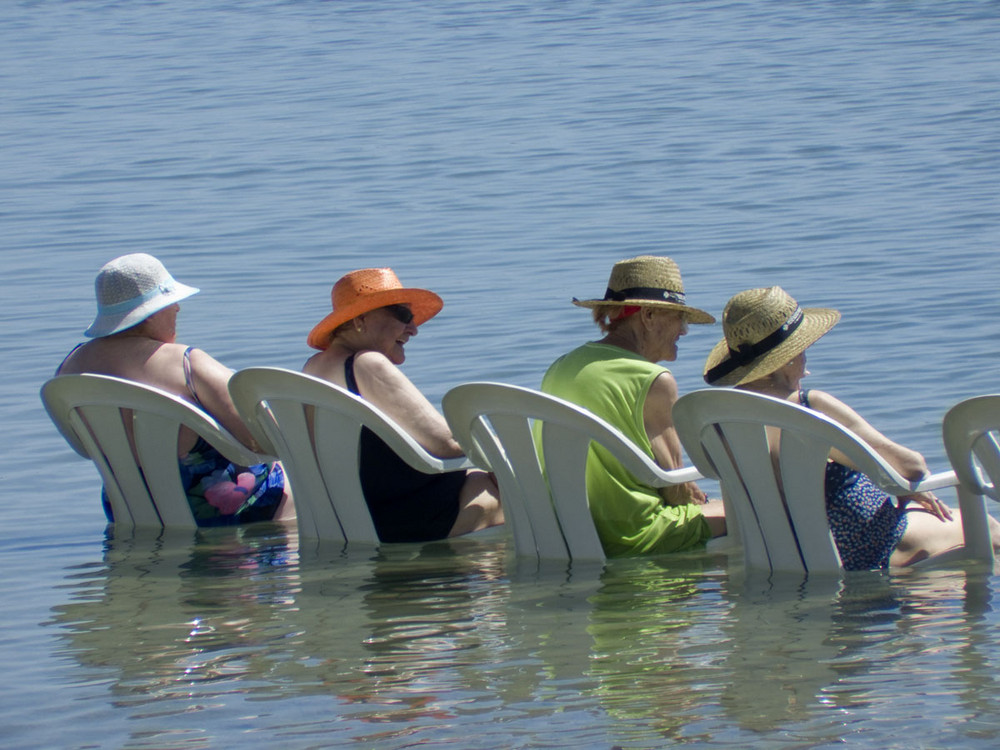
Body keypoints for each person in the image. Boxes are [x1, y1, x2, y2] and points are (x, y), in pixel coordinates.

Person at [702, 285, 1000, 569]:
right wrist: (905, 489)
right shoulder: (809, 408)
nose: (806, 361)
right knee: (987, 527)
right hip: (869, 549)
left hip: (785, 557)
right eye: (803, 348)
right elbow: (912, 468)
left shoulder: (720, 422)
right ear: (786, 358)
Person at [57, 253, 293, 526]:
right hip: (212, 509)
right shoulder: (185, 364)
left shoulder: (69, 368)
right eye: (170, 303)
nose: (178, 309)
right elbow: (264, 439)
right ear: (150, 313)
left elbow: (84, 449)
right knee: (289, 471)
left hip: (128, 508)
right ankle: (290, 564)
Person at [539, 255, 727, 557]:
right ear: (649, 315)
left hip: (566, 531)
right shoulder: (653, 380)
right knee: (757, 510)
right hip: (633, 536)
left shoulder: (562, 366)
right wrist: (707, 501)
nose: (684, 330)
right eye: (680, 317)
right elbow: (675, 488)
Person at [303, 267, 504, 543]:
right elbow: (447, 443)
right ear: (361, 319)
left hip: (346, 517)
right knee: (508, 491)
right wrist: (506, 449)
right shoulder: (367, 364)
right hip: (404, 522)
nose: (414, 329)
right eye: (404, 316)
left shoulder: (311, 370)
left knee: (480, 475)